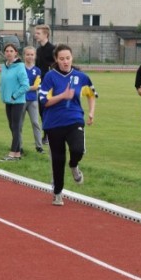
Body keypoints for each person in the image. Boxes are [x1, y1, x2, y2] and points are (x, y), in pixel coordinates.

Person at [39, 44, 96, 206]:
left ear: (72, 58)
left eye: (68, 58)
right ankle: (57, 193)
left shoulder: (81, 77)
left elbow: (91, 94)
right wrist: (63, 96)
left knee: (78, 150)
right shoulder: (50, 77)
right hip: (54, 123)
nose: (65, 61)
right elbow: (44, 102)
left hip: (74, 119)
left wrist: (91, 112)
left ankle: (74, 165)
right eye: (62, 59)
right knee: (58, 160)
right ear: (56, 60)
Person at [0, 43, 29, 161]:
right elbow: (3, 83)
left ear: (16, 53)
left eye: (11, 51)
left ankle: (12, 154)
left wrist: (14, 96)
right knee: (12, 126)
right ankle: (17, 153)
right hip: (8, 101)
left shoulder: (20, 67)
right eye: (7, 51)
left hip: (17, 101)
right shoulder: (4, 66)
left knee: (15, 127)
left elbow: (25, 85)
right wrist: (4, 96)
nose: (9, 53)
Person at [33, 24, 55, 145]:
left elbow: (56, 66)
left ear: (46, 34)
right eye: (35, 33)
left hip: (50, 85)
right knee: (42, 110)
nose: (35, 35)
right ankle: (46, 135)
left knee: (48, 109)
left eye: (38, 33)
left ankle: (49, 135)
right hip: (40, 84)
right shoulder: (38, 50)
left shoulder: (53, 49)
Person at [21, 46, 43, 154]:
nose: (30, 56)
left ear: (35, 56)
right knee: (19, 124)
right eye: (27, 54)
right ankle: (18, 146)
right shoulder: (20, 68)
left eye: (32, 54)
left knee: (35, 123)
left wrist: (25, 88)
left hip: (33, 100)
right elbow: (19, 85)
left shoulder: (37, 70)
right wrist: (29, 87)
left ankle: (39, 146)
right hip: (20, 100)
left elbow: (36, 86)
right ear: (24, 55)